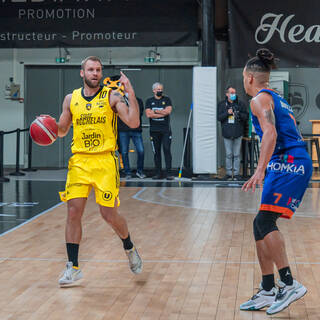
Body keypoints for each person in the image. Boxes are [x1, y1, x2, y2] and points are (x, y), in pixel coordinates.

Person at [56, 56, 142, 286]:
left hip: (105, 162)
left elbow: (133, 123)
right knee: (73, 212)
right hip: (79, 162)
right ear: (82, 73)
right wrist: (46, 127)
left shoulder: (111, 97)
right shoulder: (70, 99)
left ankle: (129, 246)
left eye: (98, 70)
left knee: (108, 215)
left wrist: (130, 91)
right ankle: (73, 267)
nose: (95, 73)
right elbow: (62, 130)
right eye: (91, 69)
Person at [240, 48, 312, 315]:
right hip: (287, 161)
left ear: (248, 78)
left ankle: (290, 284)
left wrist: (259, 169)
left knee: (264, 221)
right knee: (260, 224)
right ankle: (268, 289)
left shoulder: (258, 99)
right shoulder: (274, 96)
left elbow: (269, 133)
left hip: (289, 161)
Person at [218, 86, 248, 180]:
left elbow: (246, 116)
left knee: (236, 154)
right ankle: (228, 173)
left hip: (238, 132)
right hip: (227, 133)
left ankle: (236, 174)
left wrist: (238, 114)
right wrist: (227, 113)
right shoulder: (222, 104)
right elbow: (219, 117)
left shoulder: (241, 104)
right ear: (227, 94)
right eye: (231, 93)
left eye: (234, 93)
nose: (233, 94)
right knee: (228, 154)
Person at [145, 82, 174, 180]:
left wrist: (155, 111)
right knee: (156, 152)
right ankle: (158, 173)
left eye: (161, 89)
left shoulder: (167, 100)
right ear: (153, 90)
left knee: (166, 150)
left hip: (166, 130)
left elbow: (168, 111)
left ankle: (169, 173)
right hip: (154, 131)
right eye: (158, 89)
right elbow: (148, 115)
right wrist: (162, 113)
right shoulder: (149, 101)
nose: (160, 91)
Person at [118, 96, 146, 179]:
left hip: (136, 129)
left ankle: (139, 171)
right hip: (123, 129)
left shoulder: (138, 100)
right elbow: (119, 113)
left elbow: (139, 113)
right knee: (124, 152)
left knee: (141, 150)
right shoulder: (119, 100)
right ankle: (127, 172)